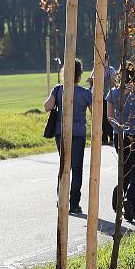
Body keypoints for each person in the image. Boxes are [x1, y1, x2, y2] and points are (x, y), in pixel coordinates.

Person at [106, 62, 135, 221]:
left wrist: (119, 129)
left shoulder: (113, 93)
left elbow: (109, 117)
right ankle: (131, 200)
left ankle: (122, 191)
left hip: (120, 136)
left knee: (124, 166)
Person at [44, 58, 92, 214]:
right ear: (79, 74)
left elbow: (47, 107)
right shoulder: (85, 93)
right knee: (77, 168)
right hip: (78, 133)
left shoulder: (58, 89)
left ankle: (61, 199)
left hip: (61, 132)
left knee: (64, 165)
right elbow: (95, 113)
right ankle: (74, 203)